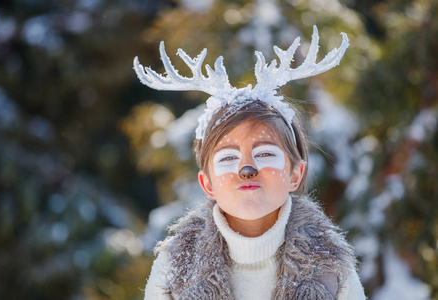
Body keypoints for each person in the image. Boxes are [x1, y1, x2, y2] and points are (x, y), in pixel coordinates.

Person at [134, 26, 366, 299]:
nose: (247, 169)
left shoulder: (331, 269)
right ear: (207, 183)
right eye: (229, 158)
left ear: (295, 174)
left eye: (266, 154)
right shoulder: (175, 269)